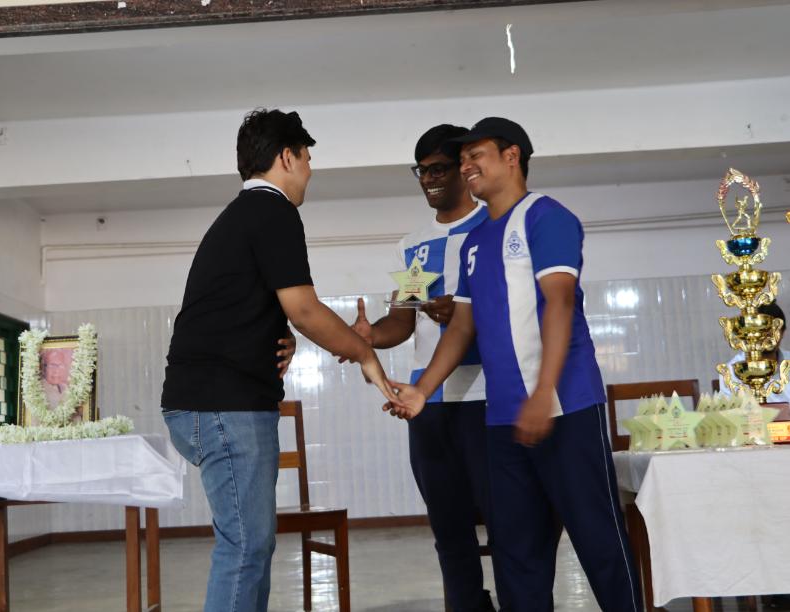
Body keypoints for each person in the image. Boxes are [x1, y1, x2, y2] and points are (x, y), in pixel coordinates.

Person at [386, 117, 642, 611]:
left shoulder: (547, 217)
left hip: (566, 408)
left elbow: (560, 303)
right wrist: (422, 390)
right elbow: (462, 326)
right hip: (503, 420)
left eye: (475, 155)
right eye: (462, 159)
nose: (466, 166)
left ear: (512, 157)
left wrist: (543, 392)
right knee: (517, 554)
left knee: (598, 540)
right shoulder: (476, 242)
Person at [160, 108, 397, 612]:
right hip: (224, 406)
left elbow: (251, 305)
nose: (310, 169)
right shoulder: (272, 210)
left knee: (252, 546)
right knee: (245, 548)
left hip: (213, 402)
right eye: (306, 157)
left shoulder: (244, 215)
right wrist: (364, 354)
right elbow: (305, 309)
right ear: (286, 157)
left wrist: (277, 333)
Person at [345, 124, 495, 611]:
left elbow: (511, 309)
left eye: (438, 169)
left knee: (507, 522)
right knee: (448, 527)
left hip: (487, 397)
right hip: (427, 404)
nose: (429, 179)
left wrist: (466, 314)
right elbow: (403, 321)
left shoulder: (493, 226)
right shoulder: (415, 246)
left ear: (464, 170)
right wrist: (370, 336)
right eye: (422, 171)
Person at [719, 301, 790, 403]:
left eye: (772, 332)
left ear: (783, 332)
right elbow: (727, 410)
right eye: (761, 331)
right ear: (748, 332)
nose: (766, 337)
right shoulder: (732, 371)